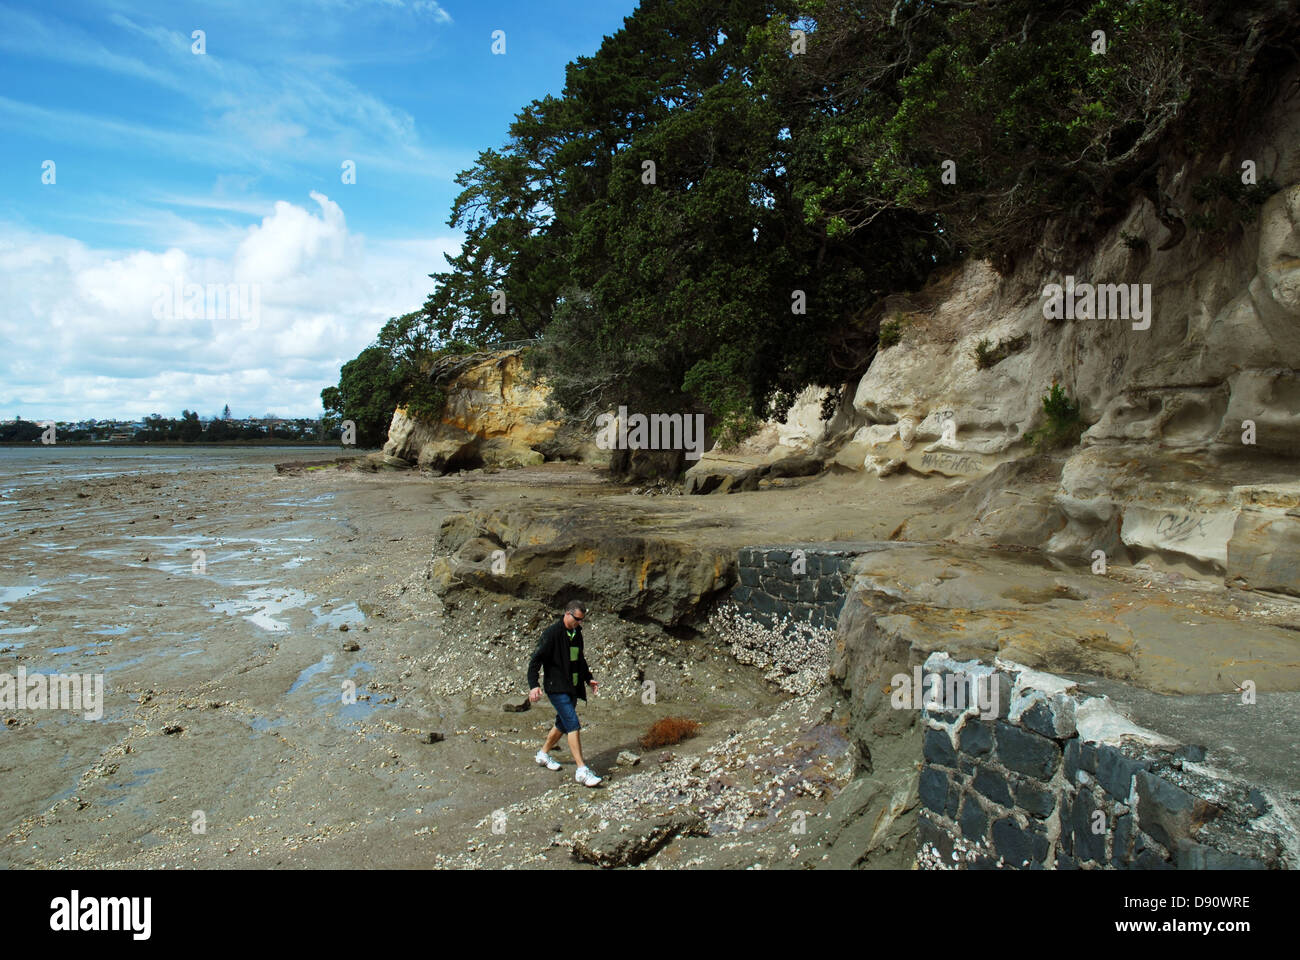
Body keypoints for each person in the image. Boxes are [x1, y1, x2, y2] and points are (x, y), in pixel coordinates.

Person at [528, 600, 601, 786]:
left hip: (573, 688)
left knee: (562, 724)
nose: (579, 622)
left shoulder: (577, 634)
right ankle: (582, 770)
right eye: (577, 619)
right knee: (573, 724)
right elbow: (535, 661)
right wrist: (533, 685)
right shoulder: (551, 634)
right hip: (556, 687)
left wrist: (588, 678)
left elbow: (580, 660)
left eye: (582, 620)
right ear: (567, 614)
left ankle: (543, 754)